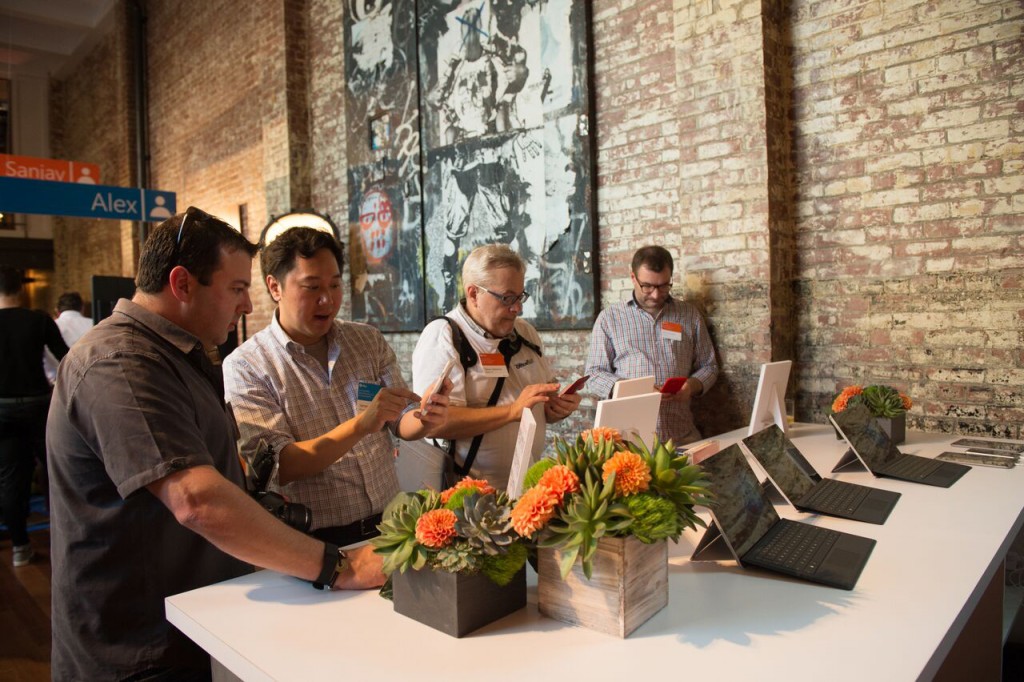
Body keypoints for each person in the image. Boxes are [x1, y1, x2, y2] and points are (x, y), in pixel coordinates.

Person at [46, 208, 376, 681]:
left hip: (194, 624)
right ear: (182, 284)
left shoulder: (179, 355)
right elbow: (195, 499)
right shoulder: (118, 363)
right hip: (137, 647)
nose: (246, 305)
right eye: (237, 289)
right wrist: (336, 566)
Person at [223, 227, 450, 548]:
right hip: (313, 543)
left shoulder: (366, 340)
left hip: (390, 526)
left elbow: (401, 420)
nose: (327, 299)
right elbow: (281, 465)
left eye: (334, 285)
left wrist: (425, 418)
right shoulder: (247, 366)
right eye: (312, 287)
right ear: (275, 286)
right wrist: (360, 426)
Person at [411, 244, 582, 489]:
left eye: (520, 296)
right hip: (469, 497)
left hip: (526, 488)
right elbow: (435, 424)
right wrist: (512, 411)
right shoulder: (443, 336)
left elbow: (536, 404)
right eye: (507, 297)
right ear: (473, 294)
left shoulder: (525, 333)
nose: (517, 308)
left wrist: (554, 409)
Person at [585, 245, 719, 446]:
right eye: (647, 286)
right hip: (628, 442)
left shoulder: (689, 315)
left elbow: (709, 366)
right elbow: (594, 374)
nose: (656, 295)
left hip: (680, 436)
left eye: (664, 286)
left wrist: (691, 386)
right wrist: (632, 390)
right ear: (633, 278)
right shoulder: (610, 319)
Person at [0, 266, 69, 567]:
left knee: (11, 478)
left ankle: (20, 547)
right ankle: (65, 543)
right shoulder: (38, 320)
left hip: (2, 409)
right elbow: (68, 359)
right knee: (55, 473)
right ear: (20, 289)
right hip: (39, 405)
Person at [43, 291, 94, 382]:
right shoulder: (96, 324)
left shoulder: (49, 327)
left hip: (57, 384)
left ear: (57, 310)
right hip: (91, 382)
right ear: (82, 308)